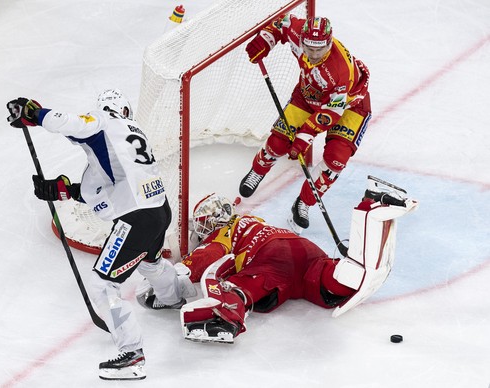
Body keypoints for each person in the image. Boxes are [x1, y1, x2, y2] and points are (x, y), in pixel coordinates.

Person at [6, 89, 196, 380]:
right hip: (160, 211)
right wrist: (65, 190)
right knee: (150, 263)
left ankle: (132, 354)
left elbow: (71, 123)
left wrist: (35, 113)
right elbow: (100, 187)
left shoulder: (104, 121)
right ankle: (172, 296)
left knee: (102, 285)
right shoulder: (133, 133)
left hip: (136, 218)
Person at [175, 179, 417, 343]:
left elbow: (205, 258)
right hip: (304, 250)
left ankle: (226, 318)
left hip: (274, 256)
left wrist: (176, 272)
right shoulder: (253, 219)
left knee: (245, 285)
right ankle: (371, 207)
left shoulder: (224, 232)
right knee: (337, 283)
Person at [239, 15, 371, 231]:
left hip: (349, 106)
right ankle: (259, 170)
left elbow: (331, 112)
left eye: (320, 49)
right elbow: (279, 24)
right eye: (310, 48)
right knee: (279, 142)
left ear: (329, 42)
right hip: (308, 95)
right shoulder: (298, 31)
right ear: (302, 40)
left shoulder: (340, 71)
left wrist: (304, 137)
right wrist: (265, 40)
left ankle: (304, 203)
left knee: (336, 160)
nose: (314, 54)